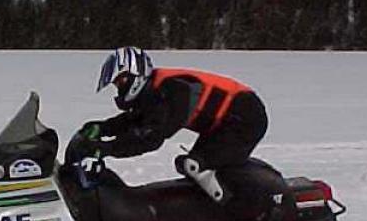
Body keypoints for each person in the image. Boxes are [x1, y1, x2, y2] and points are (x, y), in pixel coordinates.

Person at [79, 46, 268, 206]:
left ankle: (240, 215)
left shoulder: (174, 89)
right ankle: (210, 218)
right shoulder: (155, 89)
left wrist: (105, 149)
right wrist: (102, 128)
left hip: (245, 118)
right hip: (225, 123)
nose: (119, 88)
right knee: (193, 170)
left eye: (120, 81)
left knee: (195, 166)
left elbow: (152, 137)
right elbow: (136, 119)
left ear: (134, 74)